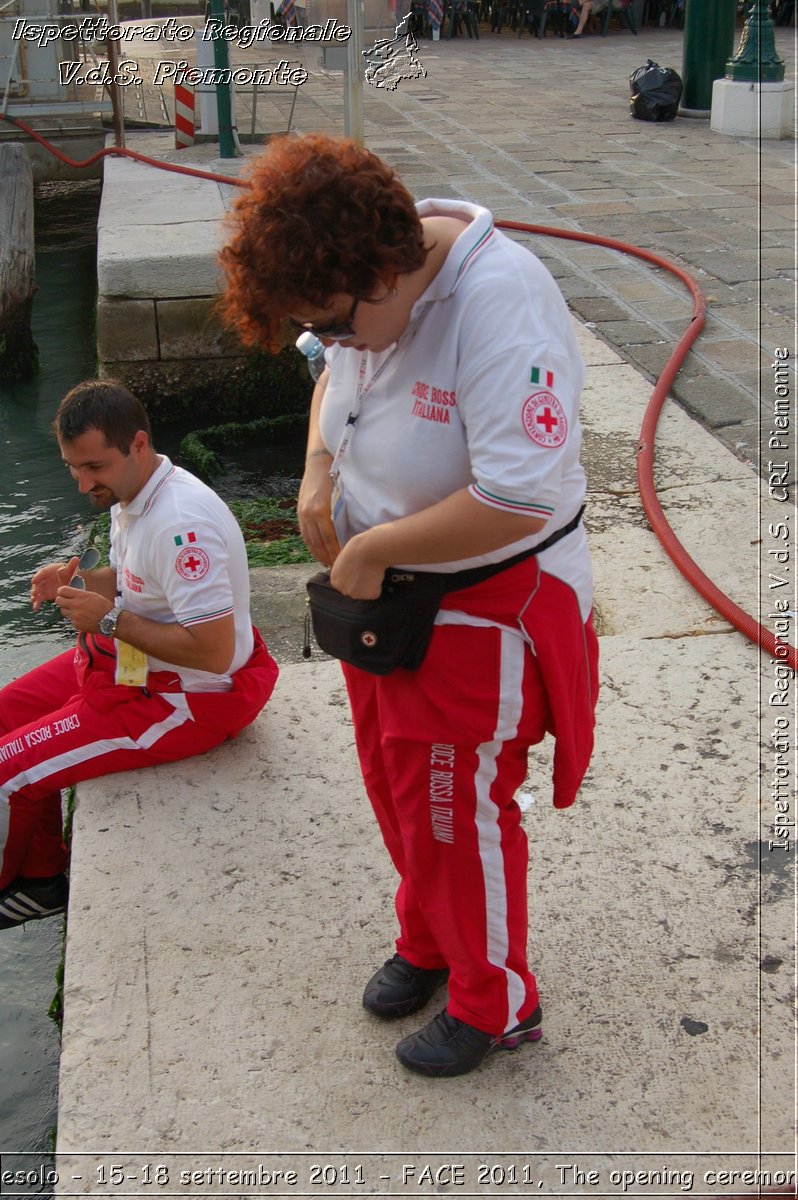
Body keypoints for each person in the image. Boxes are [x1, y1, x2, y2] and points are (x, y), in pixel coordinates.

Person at [220, 134, 599, 1078]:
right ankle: (432, 937)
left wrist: (379, 545)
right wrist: (317, 470)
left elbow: (519, 494)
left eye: (338, 322)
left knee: (453, 803)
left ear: (386, 272)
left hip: (485, 600)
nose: (334, 341)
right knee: (395, 783)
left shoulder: (499, 303)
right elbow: (329, 378)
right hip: (385, 599)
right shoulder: (367, 301)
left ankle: (495, 999)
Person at [0, 380, 279, 930]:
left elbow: (217, 653)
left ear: (138, 444)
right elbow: (137, 582)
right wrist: (79, 577)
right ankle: (42, 876)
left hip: (185, 699)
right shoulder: (137, 493)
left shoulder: (181, 525)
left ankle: (21, 883)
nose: (83, 483)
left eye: (94, 467)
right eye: (73, 467)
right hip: (133, 666)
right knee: (6, 714)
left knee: (5, 773)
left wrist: (104, 617)